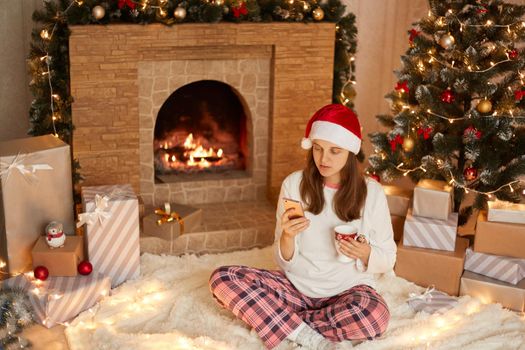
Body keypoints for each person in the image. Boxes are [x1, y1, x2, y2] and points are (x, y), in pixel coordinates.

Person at [209, 104, 396, 350]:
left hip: (346, 291)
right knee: (223, 279)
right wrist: (287, 236)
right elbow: (283, 261)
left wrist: (366, 253)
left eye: (334, 151)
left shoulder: (371, 192)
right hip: (294, 289)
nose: (324, 159)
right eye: (317, 149)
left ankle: (279, 324)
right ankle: (306, 335)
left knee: (376, 315)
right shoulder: (294, 184)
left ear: (350, 152)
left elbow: (388, 258)